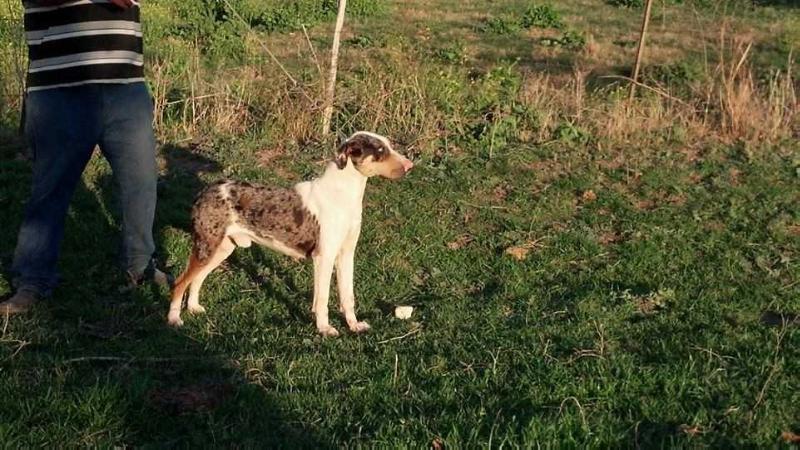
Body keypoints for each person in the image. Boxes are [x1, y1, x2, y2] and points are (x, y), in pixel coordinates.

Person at [1, 0, 171, 314]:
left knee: (141, 183)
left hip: (125, 86)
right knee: (48, 191)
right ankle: (33, 281)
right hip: (58, 90)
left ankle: (141, 265)